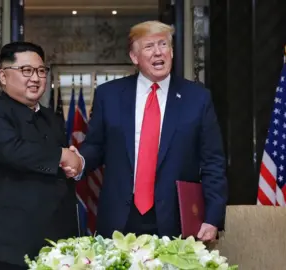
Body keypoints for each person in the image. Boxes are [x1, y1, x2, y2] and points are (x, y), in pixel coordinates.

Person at [64, 21, 228, 242]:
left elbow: (213, 162)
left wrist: (213, 217)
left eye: (163, 44)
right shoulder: (109, 95)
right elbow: (96, 146)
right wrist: (80, 162)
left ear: (171, 51)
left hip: (176, 218)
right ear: (134, 57)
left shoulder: (197, 98)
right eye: (149, 46)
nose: (158, 52)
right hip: (120, 216)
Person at [0, 41, 82, 270]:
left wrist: (73, 164)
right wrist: (62, 155)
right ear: (4, 76)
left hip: (54, 246)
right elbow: (13, 151)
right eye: (26, 71)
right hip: (5, 248)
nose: (35, 78)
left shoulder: (52, 119)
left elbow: (59, 167)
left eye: (40, 71)